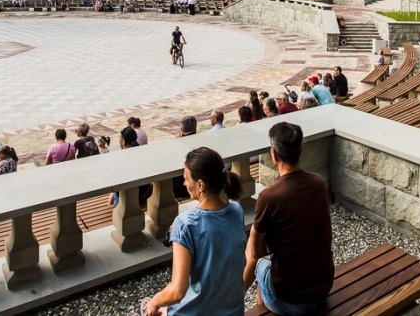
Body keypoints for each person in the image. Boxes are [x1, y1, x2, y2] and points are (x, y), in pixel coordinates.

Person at [143, 147, 246, 316]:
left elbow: (177, 291)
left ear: (200, 185)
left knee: (153, 308)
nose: (184, 184)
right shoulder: (237, 211)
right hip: (233, 311)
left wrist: (154, 301)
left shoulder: (185, 224)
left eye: (186, 179)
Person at [244, 122, 334, 314]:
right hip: (323, 290)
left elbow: (255, 252)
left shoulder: (268, 197)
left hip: (290, 301)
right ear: (302, 148)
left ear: (273, 155)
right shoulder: (317, 182)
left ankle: (262, 310)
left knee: (259, 263)